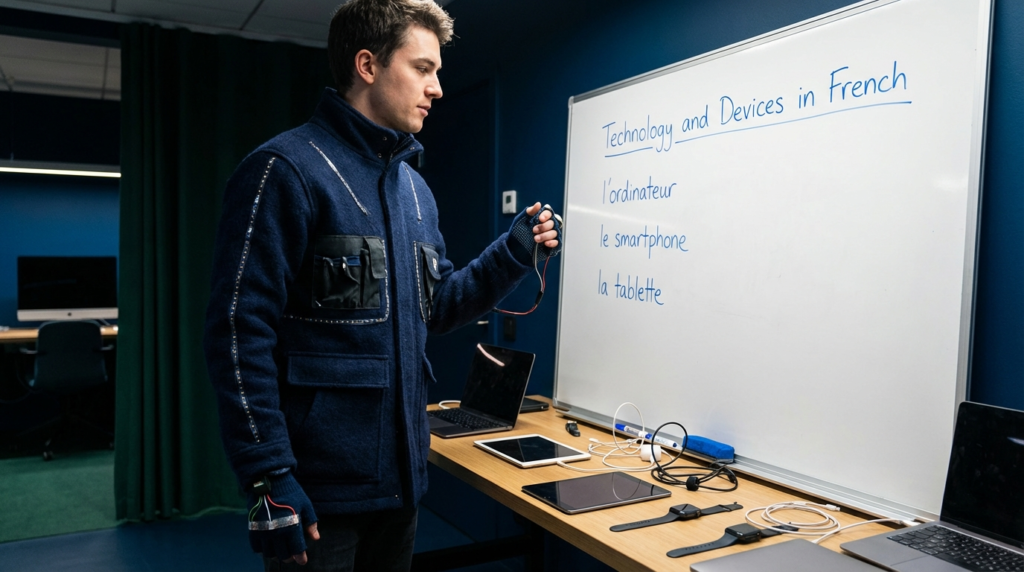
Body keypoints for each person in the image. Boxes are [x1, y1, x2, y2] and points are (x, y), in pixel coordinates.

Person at [202, 0, 562, 570]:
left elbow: (438, 306)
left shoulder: (414, 191)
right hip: (319, 498)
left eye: (437, 71)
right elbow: (237, 334)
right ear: (367, 65)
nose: (437, 87)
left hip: (401, 486)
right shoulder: (283, 170)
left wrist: (513, 252)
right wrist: (270, 476)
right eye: (422, 68)